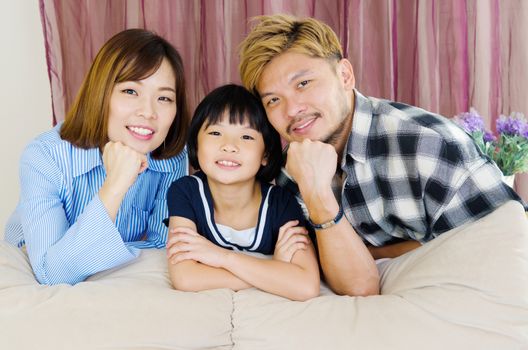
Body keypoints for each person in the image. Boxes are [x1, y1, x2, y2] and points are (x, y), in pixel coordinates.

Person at [238, 14, 525, 296]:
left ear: (345, 75)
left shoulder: (428, 144)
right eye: (273, 100)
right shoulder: (288, 176)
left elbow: (507, 247)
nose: (292, 109)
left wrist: (366, 253)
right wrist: (316, 192)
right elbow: (350, 283)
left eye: (303, 84)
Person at [4, 29, 189, 285]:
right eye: (131, 91)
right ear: (101, 93)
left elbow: (160, 245)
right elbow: (51, 272)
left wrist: (80, 251)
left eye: (164, 98)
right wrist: (116, 184)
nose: (148, 112)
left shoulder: (173, 157)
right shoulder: (44, 156)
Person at [165, 84, 320, 301]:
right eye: (216, 133)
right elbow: (186, 278)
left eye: (246, 137)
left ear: (265, 153)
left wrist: (222, 258)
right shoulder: (185, 191)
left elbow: (306, 285)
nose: (229, 146)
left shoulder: (280, 202)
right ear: (196, 145)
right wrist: (273, 269)